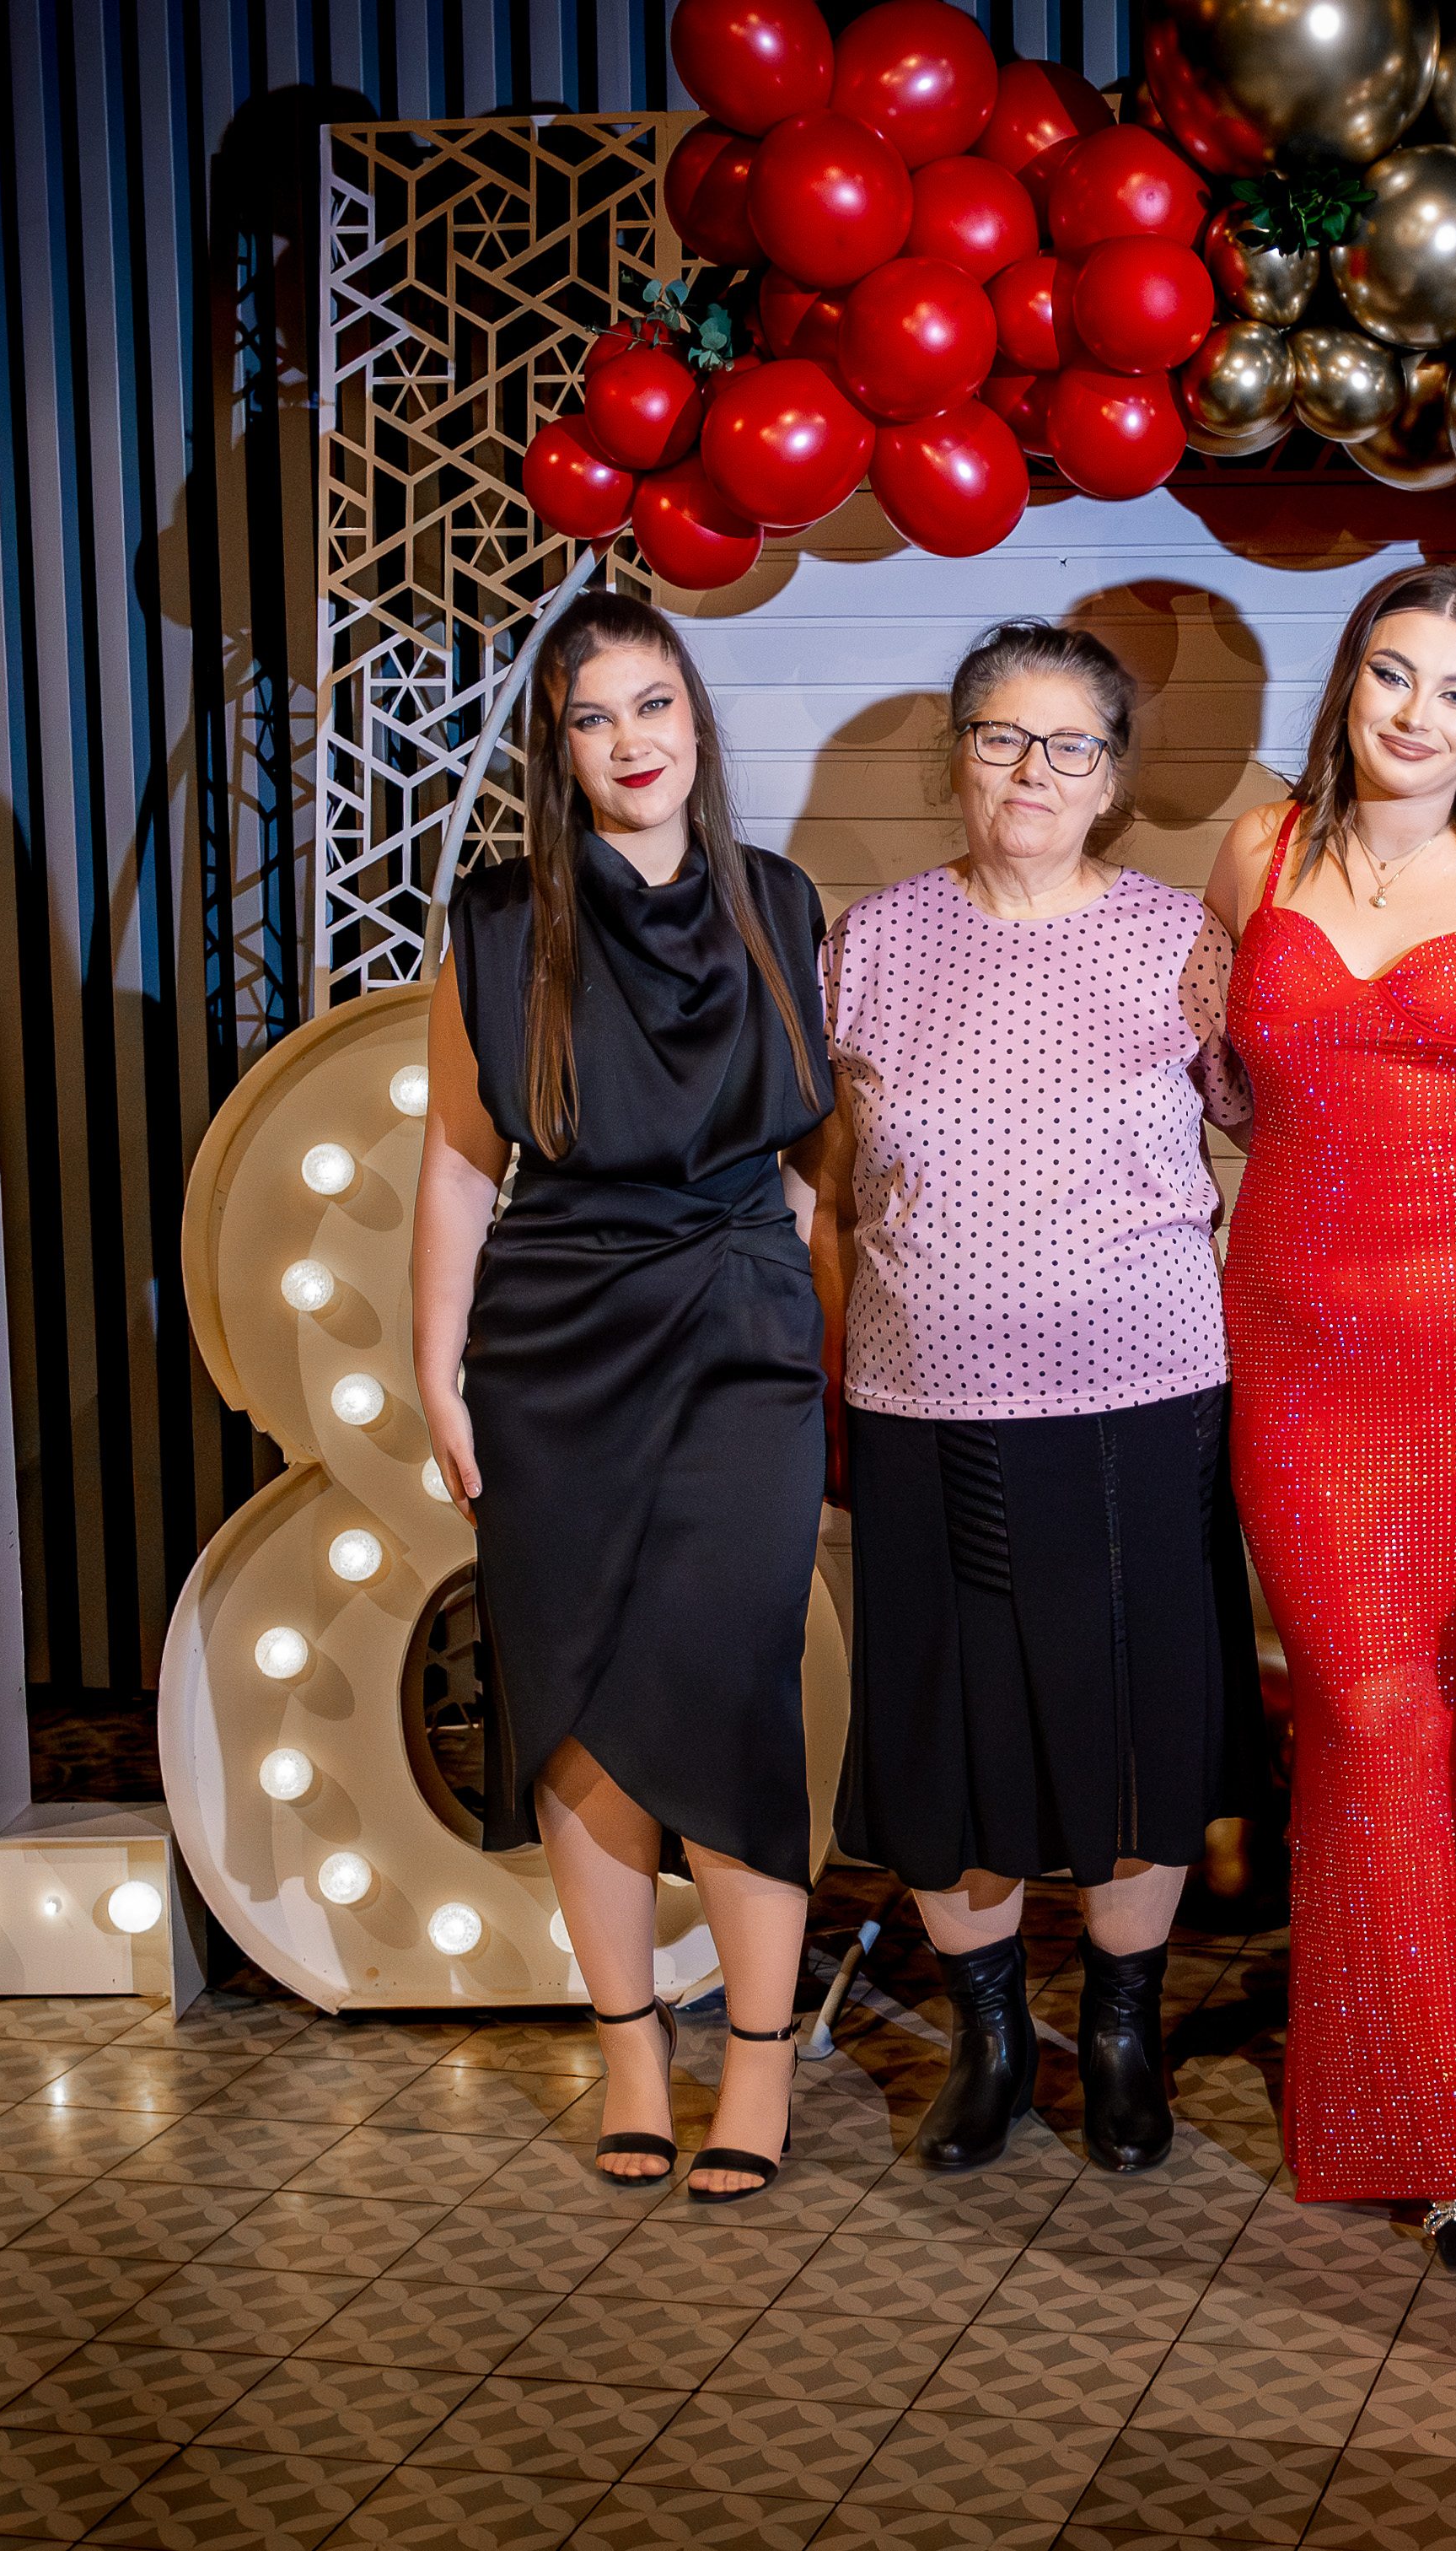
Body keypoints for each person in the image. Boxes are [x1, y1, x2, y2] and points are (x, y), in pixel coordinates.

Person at [809, 622, 1254, 2177]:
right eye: (1002, 736)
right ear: (958, 755)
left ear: (1113, 779)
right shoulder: (871, 942)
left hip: (1144, 1396)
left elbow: (1273, 1132)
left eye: (1071, 745)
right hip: (923, 1400)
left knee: (1134, 1720)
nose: (1033, 771)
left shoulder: (1182, 940)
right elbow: (828, 1183)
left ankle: (1122, 2030)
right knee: (947, 1724)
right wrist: (832, 1366)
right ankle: (991, 2034)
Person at [411, 591, 832, 2205]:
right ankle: (634, 2056)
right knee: (578, 1706)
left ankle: (761, 2063)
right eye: (591, 718)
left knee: (728, 1689)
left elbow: (810, 1157)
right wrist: (436, 1368)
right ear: (559, 747)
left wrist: (792, 1304)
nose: (629, 741)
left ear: (695, 719)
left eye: (653, 705)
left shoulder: (780, 900)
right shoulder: (496, 922)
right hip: (554, 1343)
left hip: (738, 1334)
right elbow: (460, 1163)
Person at [1206, 563, 1456, 2268]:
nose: (1416, 714)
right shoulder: (1258, 850)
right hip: (1296, 1345)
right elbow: (1221, 1076)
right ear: (1347, 679)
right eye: (1391, 673)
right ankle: (1401, 2097)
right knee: (1362, 1710)